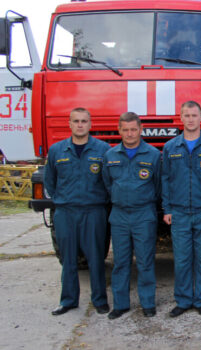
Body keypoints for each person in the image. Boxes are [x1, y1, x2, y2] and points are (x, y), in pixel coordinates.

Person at [44, 107, 111, 316]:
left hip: (94, 211)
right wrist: (63, 200)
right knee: (69, 259)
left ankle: (100, 300)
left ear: (90, 125)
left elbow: (109, 181)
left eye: (84, 121)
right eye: (76, 121)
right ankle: (68, 300)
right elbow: (49, 181)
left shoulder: (103, 149)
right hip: (66, 212)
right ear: (69, 124)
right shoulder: (56, 150)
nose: (80, 125)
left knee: (96, 258)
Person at [162, 101, 201, 318]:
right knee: (182, 259)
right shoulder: (171, 147)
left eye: (194, 115)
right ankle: (183, 300)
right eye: (186, 115)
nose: (190, 119)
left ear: (200, 117)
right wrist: (167, 208)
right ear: (181, 118)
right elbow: (166, 180)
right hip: (179, 212)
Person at [102, 112, 161, 319]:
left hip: (144, 214)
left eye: (133, 129)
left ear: (140, 129)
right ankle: (120, 304)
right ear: (119, 130)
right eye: (125, 130)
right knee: (121, 261)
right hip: (119, 215)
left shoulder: (153, 155)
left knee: (145, 261)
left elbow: (159, 186)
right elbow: (107, 184)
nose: (129, 134)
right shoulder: (110, 156)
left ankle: (147, 303)